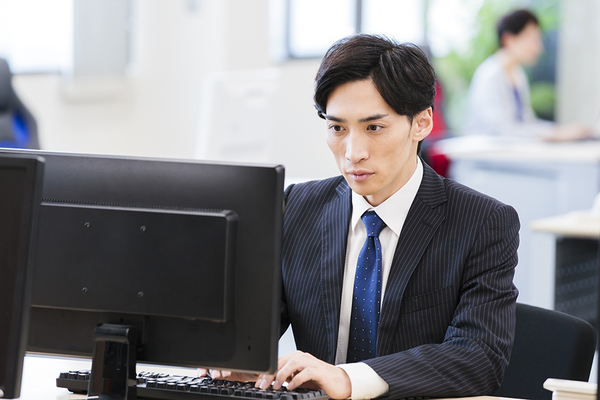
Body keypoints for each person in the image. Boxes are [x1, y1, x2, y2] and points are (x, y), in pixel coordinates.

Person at [210, 34, 519, 400]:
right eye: (337, 128)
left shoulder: (483, 222)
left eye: (374, 127)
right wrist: (232, 357)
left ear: (422, 123)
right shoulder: (297, 206)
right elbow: (252, 328)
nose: (353, 153)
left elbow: (479, 357)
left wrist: (348, 378)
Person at [464, 9, 591, 141]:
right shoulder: (490, 75)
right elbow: (503, 130)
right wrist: (554, 134)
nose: (538, 48)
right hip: (486, 151)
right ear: (509, 39)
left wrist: (558, 131)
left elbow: (526, 122)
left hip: (511, 148)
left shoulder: (517, 74)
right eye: (532, 39)